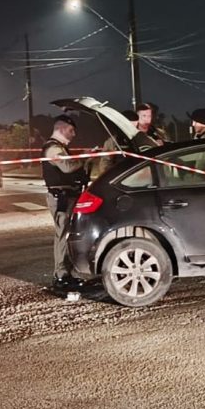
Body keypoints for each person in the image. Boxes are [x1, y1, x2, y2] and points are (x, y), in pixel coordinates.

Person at [41, 115, 90, 290]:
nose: (74, 134)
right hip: (61, 199)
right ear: (61, 129)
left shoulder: (59, 148)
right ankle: (60, 276)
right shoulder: (53, 148)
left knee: (68, 236)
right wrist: (84, 158)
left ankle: (68, 274)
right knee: (63, 236)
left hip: (67, 197)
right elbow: (67, 167)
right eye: (71, 130)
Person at [94, 110, 138, 177]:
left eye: (135, 127)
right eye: (130, 127)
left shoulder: (141, 140)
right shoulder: (113, 141)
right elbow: (105, 163)